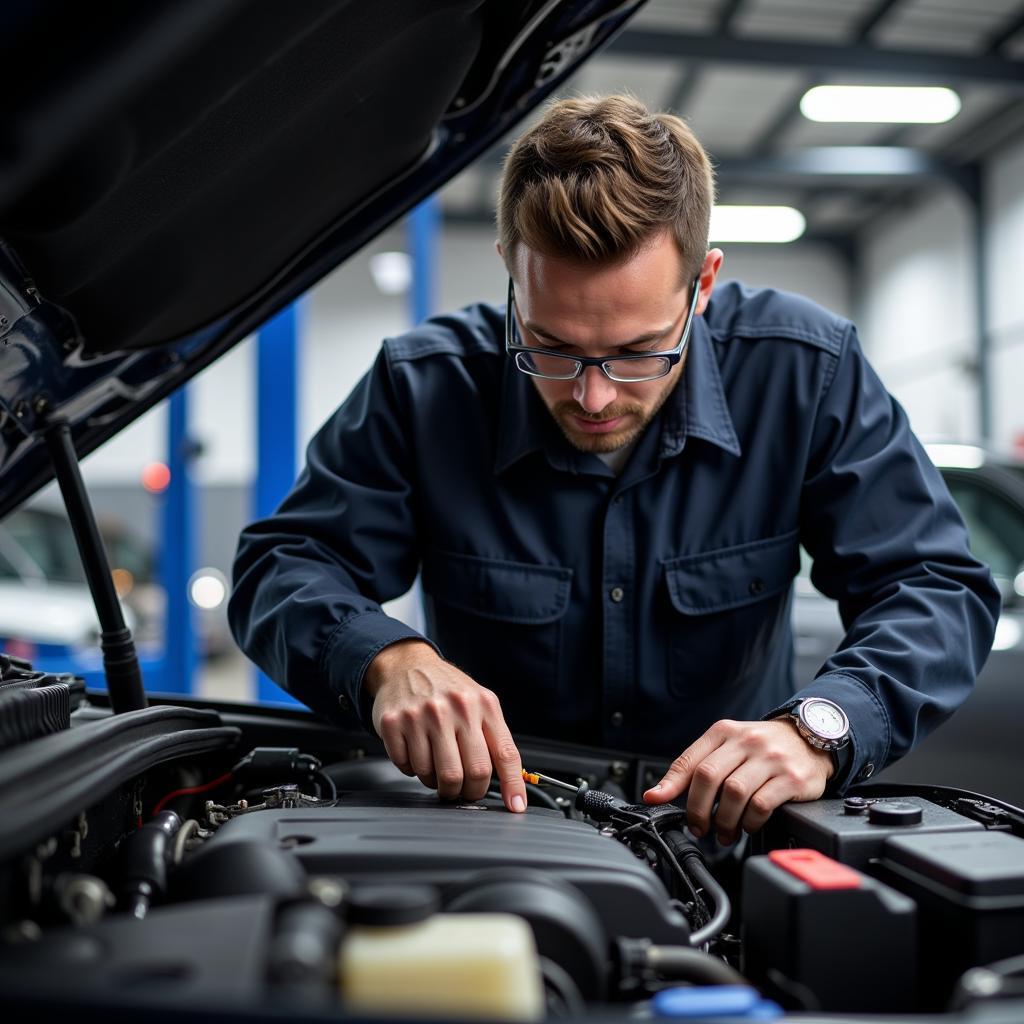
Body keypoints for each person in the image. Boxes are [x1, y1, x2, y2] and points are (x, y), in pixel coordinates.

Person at [229, 94, 999, 847]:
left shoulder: (806, 372)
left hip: (728, 849)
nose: (593, 395)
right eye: (552, 346)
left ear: (701, 287)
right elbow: (282, 566)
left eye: (638, 353)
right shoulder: (425, 387)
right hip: (503, 838)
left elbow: (933, 584)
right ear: (511, 275)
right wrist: (386, 660)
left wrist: (822, 728)